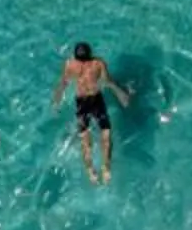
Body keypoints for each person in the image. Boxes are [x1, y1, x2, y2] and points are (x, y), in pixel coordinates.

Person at [50, 41, 135, 186]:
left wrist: (56, 102)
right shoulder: (98, 63)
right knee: (106, 134)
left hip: (81, 103)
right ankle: (105, 168)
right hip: (96, 101)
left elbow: (63, 84)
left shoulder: (70, 64)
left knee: (85, 139)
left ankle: (91, 171)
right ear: (90, 53)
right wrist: (123, 94)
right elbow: (108, 82)